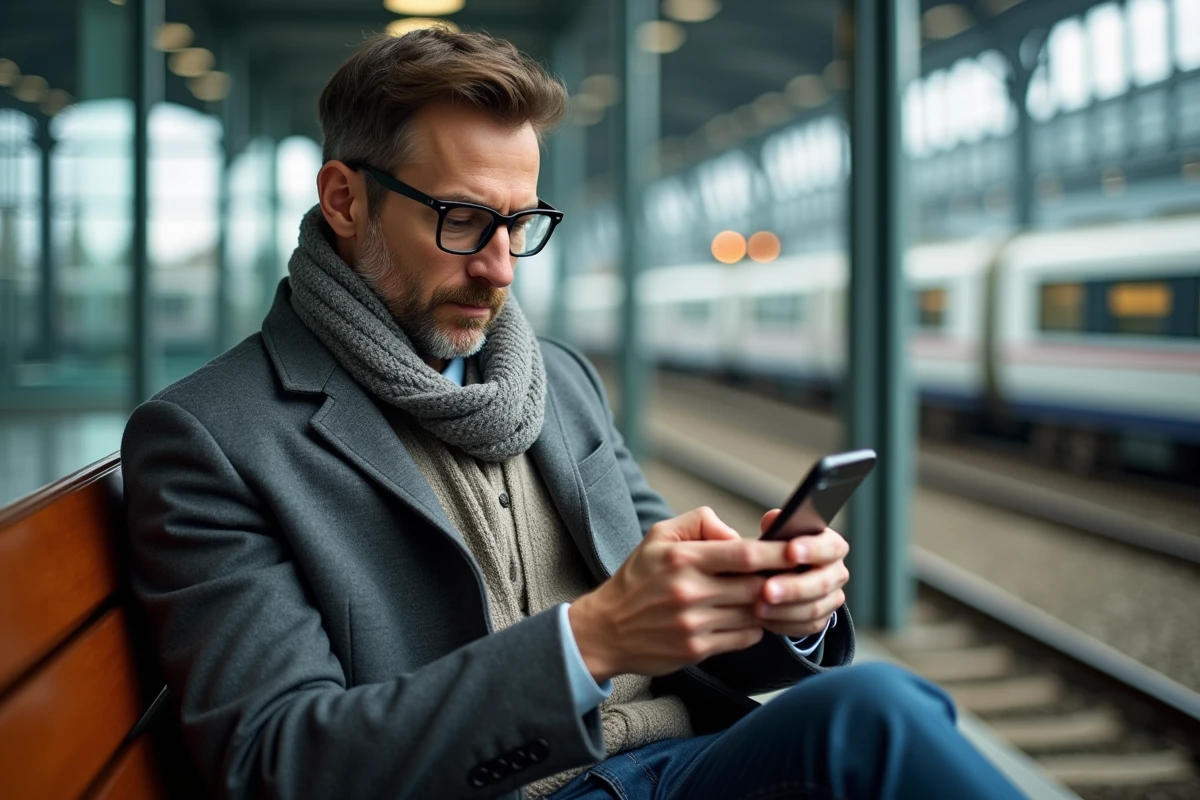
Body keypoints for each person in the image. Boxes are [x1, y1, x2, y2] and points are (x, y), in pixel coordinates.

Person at [121, 29, 1023, 800]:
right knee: (882, 721)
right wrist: (589, 642)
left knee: (879, 710)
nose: (502, 266)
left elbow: (674, 621)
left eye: (521, 223)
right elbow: (273, 765)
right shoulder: (212, 437)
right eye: (464, 220)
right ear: (346, 199)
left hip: (670, 762)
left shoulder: (558, 378)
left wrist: (776, 611)